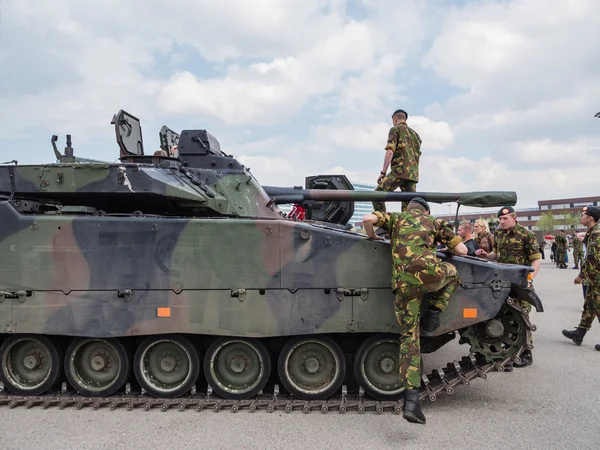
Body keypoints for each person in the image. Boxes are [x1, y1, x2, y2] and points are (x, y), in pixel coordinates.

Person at [362, 198, 468, 424]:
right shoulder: (434, 221)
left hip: (403, 285)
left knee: (409, 338)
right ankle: (433, 313)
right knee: (453, 273)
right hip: (431, 277)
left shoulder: (396, 219)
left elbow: (367, 218)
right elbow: (462, 250)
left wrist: (372, 236)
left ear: (406, 210)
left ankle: (412, 402)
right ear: (426, 210)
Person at [475, 206, 541, 369]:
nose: (502, 222)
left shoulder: (527, 235)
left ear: (514, 218)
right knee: (502, 315)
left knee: (521, 315)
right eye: (500, 219)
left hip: (519, 282)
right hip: (501, 280)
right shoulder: (498, 233)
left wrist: (529, 279)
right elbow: (496, 255)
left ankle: (526, 353)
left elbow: (536, 260)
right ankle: (504, 353)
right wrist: (486, 255)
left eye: (505, 219)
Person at [561, 206, 600, 350]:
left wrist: (581, 276)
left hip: (597, 278)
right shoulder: (592, 233)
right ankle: (579, 333)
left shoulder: (596, 234)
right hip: (594, 278)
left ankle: (580, 332)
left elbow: (593, 259)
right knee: (589, 306)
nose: (581, 217)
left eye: (583, 215)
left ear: (590, 218)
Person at [373, 109, 422, 213]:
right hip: (412, 176)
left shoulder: (395, 130)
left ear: (395, 119)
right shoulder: (416, 136)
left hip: (399, 172)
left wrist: (383, 172)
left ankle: (383, 225)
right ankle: (406, 228)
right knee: (409, 207)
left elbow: (390, 152)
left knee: (377, 195)